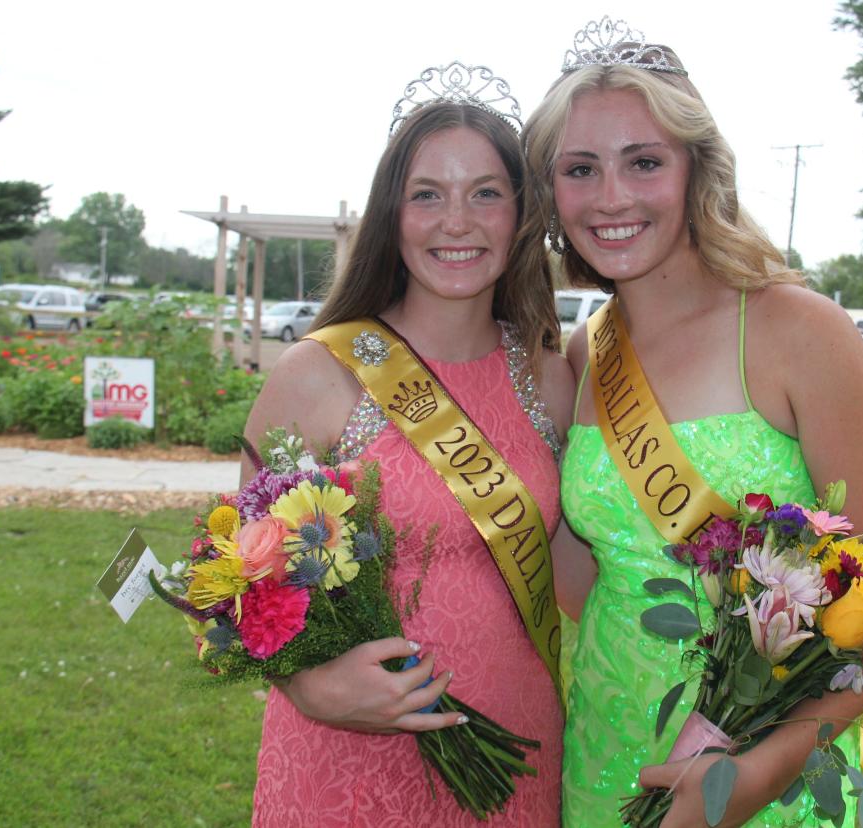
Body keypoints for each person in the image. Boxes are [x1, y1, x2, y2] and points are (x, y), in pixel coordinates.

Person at [524, 18, 863, 828]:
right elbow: (587, 579)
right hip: (611, 751)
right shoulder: (586, 353)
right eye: (581, 169)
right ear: (551, 191)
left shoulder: (799, 332)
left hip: (774, 774)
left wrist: (748, 779)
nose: (612, 197)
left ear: (697, 170)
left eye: (644, 163)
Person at [242, 62, 573, 826]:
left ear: (520, 214)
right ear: (392, 214)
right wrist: (311, 687)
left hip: (517, 753)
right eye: (428, 194)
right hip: (349, 761)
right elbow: (239, 578)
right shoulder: (318, 373)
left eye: (485, 192)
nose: (456, 221)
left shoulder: (551, 380)